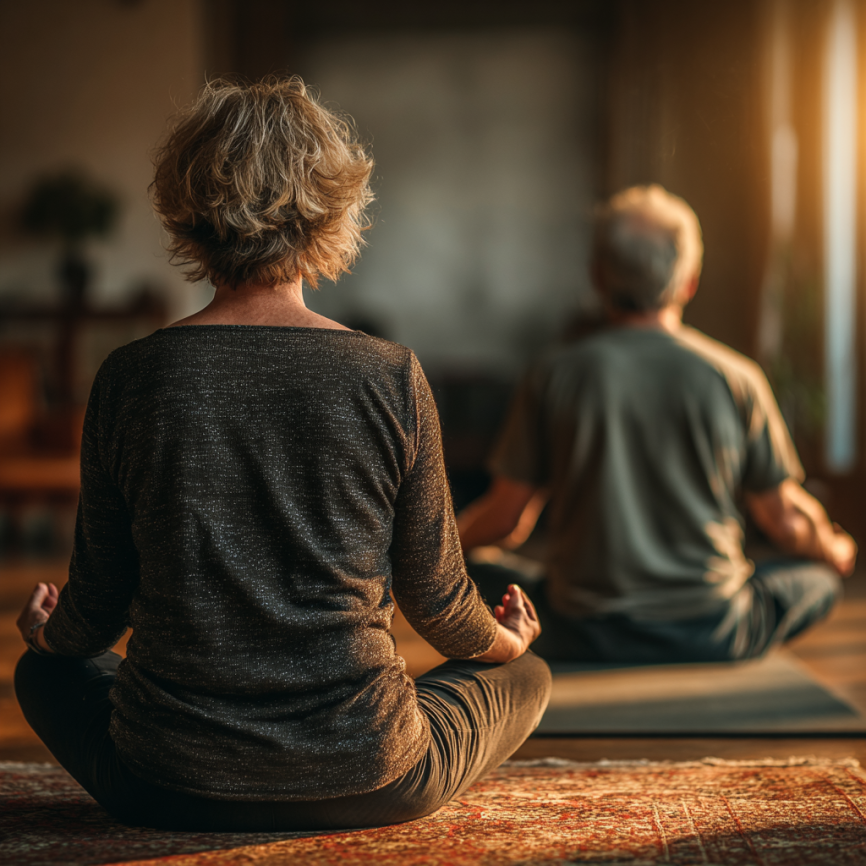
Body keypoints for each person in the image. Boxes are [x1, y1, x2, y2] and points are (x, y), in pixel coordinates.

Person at [14, 78, 550, 833]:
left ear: (188, 208)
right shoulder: (390, 375)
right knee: (525, 673)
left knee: (44, 674)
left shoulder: (130, 378)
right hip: (368, 775)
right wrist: (507, 640)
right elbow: (437, 600)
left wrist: (48, 635)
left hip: (165, 782)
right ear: (330, 209)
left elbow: (96, 607)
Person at [458, 185, 856, 664]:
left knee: (476, 572)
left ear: (597, 277)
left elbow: (507, 521)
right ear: (690, 281)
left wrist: (437, 553)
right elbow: (787, 522)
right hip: (715, 628)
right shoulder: (736, 377)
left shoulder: (555, 374)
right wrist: (834, 547)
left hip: (583, 629)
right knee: (818, 580)